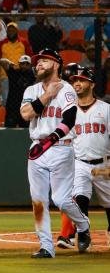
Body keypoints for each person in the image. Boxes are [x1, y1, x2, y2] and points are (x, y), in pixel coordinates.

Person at [19, 49, 91, 258]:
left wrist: (51, 139)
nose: (39, 63)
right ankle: (46, 247)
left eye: (44, 60)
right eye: (38, 61)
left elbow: (69, 119)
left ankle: (83, 225)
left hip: (61, 147)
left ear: (57, 64)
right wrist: (48, 94)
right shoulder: (32, 90)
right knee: (38, 200)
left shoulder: (67, 90)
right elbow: (25, 114)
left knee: (61, 199)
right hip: (37, 147)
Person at [55, 65, 110, 250]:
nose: (77, 83)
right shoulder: (69, 111)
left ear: (92, 84)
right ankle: (83, 233)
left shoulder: (106, 109)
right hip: (79, 163)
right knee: (79, 197)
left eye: (81, 80)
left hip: (103, 163)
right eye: (75, 81)